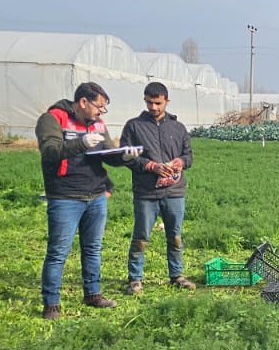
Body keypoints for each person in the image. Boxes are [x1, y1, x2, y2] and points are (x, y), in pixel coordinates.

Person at [35, 82, 141, 320]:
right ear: (83, 102)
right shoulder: (52, 119)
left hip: (96, 195)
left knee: (93, 249)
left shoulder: (97, 124)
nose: (101, 112)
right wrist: (81, 143)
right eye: (99, 106)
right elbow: (50, 152)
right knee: (58, 252)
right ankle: (51, 303)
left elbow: (108, 154)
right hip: (65, 196)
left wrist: (124, 156)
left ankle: (92, 293)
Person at [120, 82, 195, 295]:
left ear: (167, 101)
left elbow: (189, 156)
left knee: (175, 236)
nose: (153, 107)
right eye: (149, 102)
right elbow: (126, 156)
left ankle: (176, 275)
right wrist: (150, 166)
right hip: (146, 192)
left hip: (174, 192)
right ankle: (135, 279)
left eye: (158, 103)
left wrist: (181, 162)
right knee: (141, 236)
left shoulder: (178, 128)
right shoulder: (134, 126)